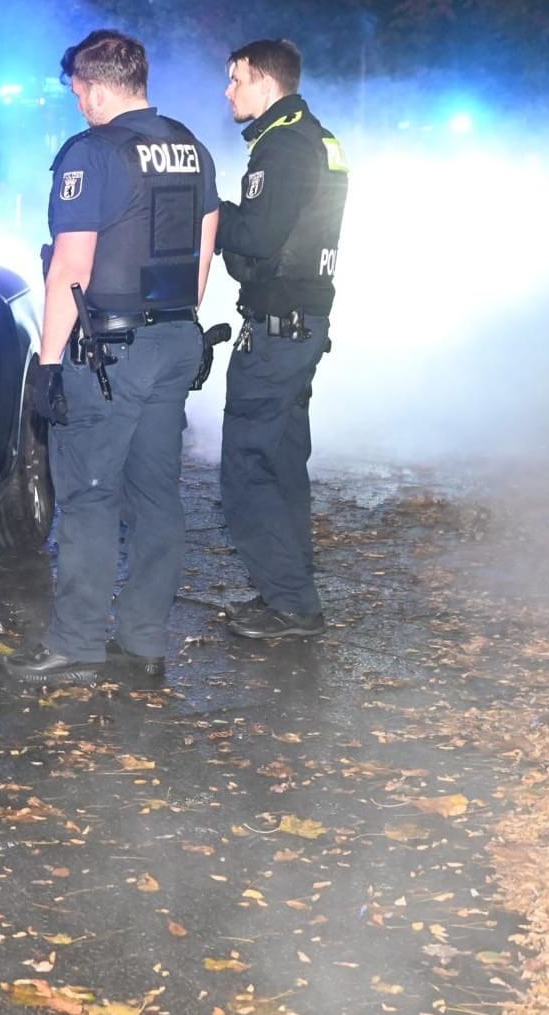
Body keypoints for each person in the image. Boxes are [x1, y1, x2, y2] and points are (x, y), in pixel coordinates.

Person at [3, 29, 218, 685]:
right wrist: (175, 323)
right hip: (176, 338)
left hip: (108, 351)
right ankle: (145, 638)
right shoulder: (191, 148)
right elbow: (204, 256)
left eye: (77, 92)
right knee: (157, 496)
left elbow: (71, 264)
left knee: (91, 496)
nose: (77, 104)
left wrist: (47, 364)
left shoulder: (90, 153)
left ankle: (77, 643)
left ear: (96, 88)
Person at [214, 39, 348, 640]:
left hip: (278, 332)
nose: (228, 92)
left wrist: (209, 214)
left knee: (249, 467)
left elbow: (260, 238)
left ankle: (292, 604)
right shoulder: (315, 136)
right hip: (301, 326)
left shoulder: (284, 144)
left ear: (265, 82)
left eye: (235, 80)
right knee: (284, 463)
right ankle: (289, 592)